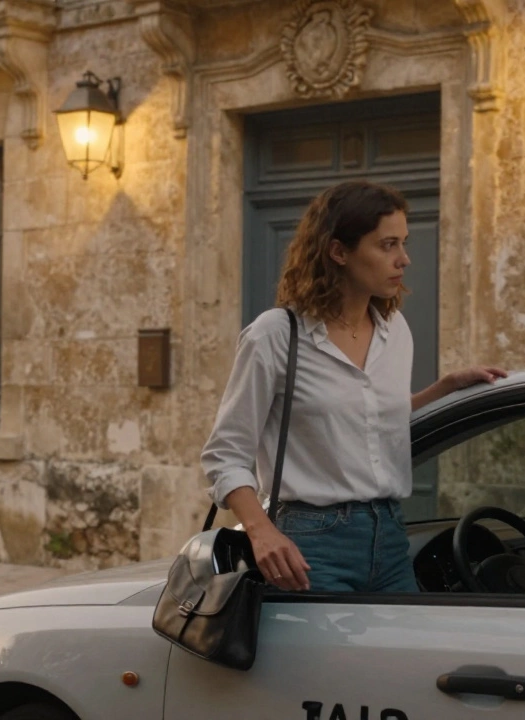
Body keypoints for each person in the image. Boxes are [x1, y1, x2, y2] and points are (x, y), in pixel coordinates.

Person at [200, 180, 506, 593]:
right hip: (309, 546)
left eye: (404, 243)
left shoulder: (394, 331)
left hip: (392, 536)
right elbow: (225, 454)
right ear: (339, 251)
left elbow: (365, 424)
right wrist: (262, 532)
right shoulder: (275, 335)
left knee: (399, 658)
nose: (404, 259)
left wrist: (444, 389)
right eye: (387, 245)